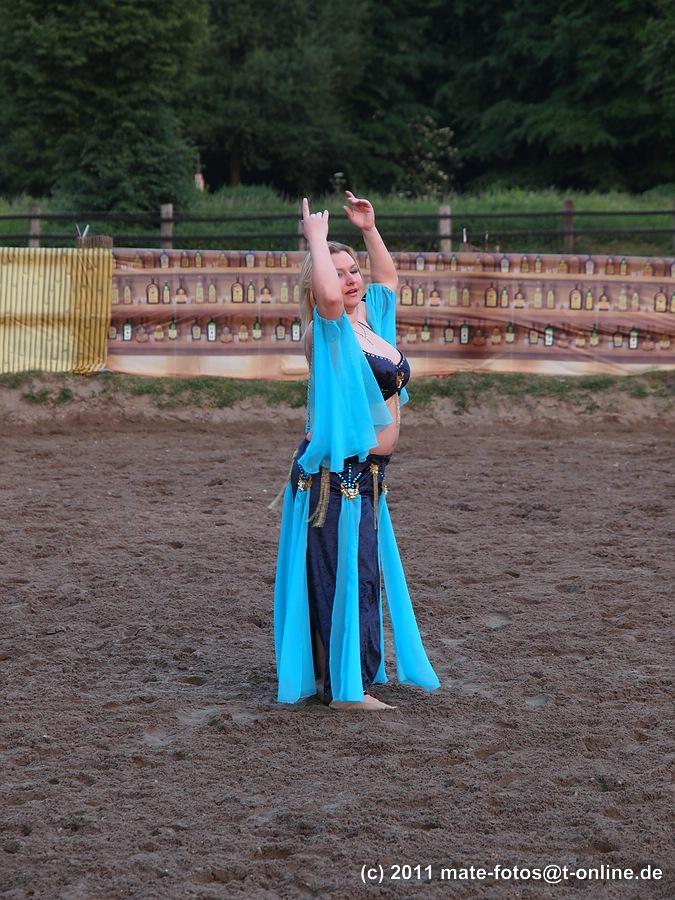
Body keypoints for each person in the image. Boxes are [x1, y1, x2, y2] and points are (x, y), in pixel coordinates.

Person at [273, 192, 440, 710]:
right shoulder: (327, 332)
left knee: (360, 575)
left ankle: (348, 676)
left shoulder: (368, 321)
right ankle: (347, 690)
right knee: (346, 576)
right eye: (339, 272)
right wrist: (316, 240)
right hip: (336, 480)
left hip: (367, 478)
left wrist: (369, 229)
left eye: (353, 271)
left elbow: (388, 280)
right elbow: (326, 298)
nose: (350, 280)